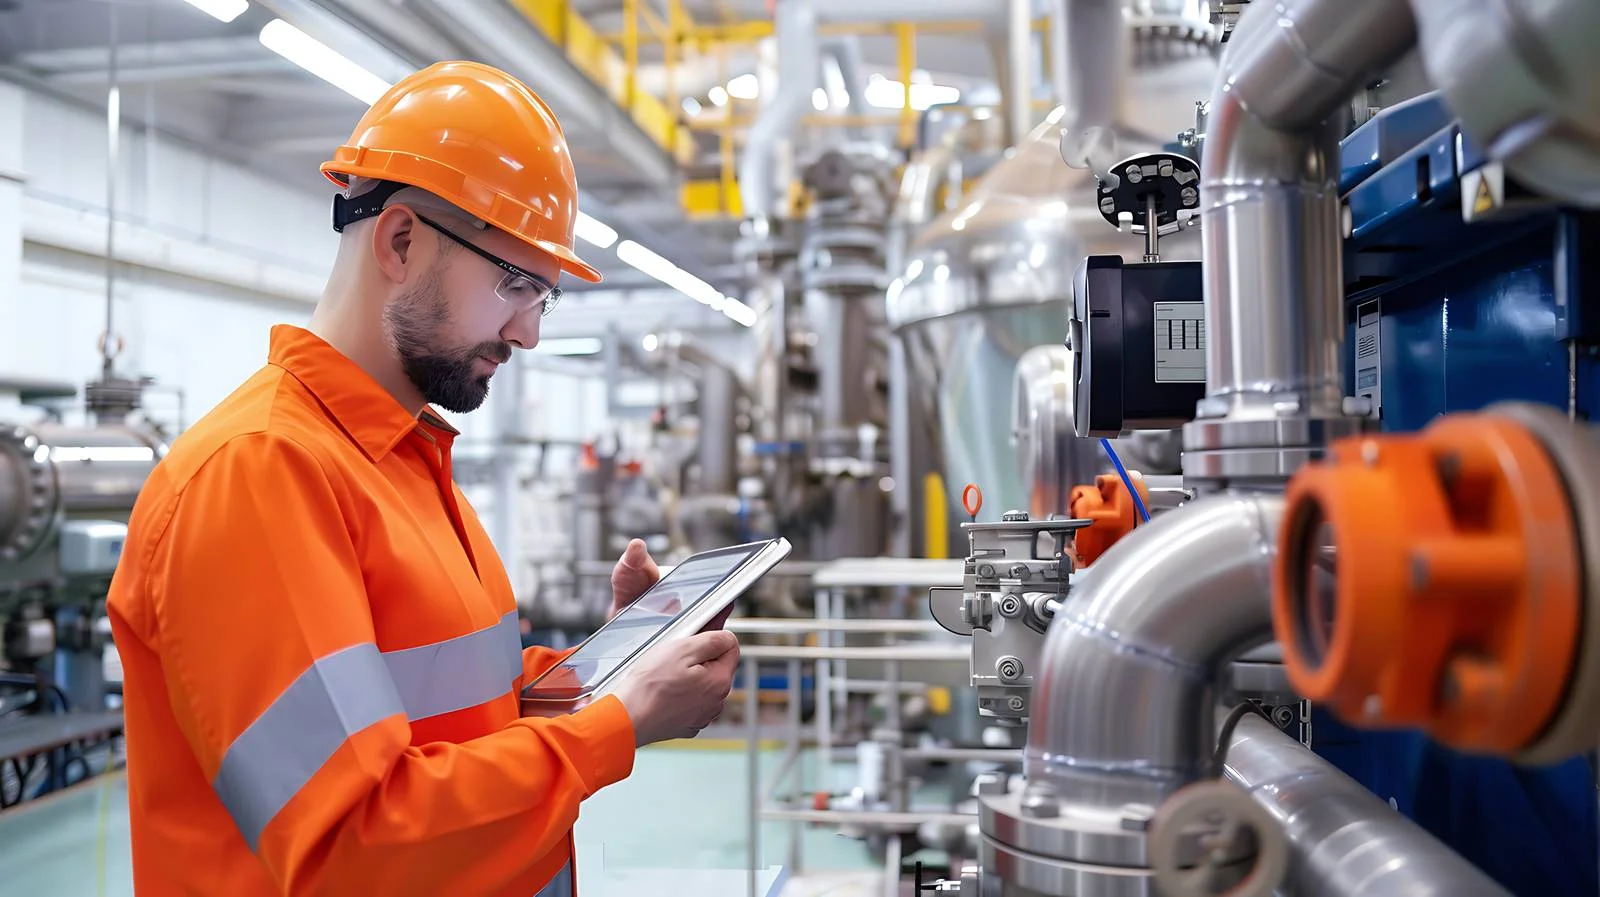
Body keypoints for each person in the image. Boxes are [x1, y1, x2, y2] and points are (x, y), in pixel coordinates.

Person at [105, 60, 741, 897]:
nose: (528, 333)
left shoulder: (403, 460)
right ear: (400, 241)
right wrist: (614, 729)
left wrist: (614, 669)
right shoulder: (258, 473)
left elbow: (462, 708)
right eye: (515, 284)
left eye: (543, 298)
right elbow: (352, 844)